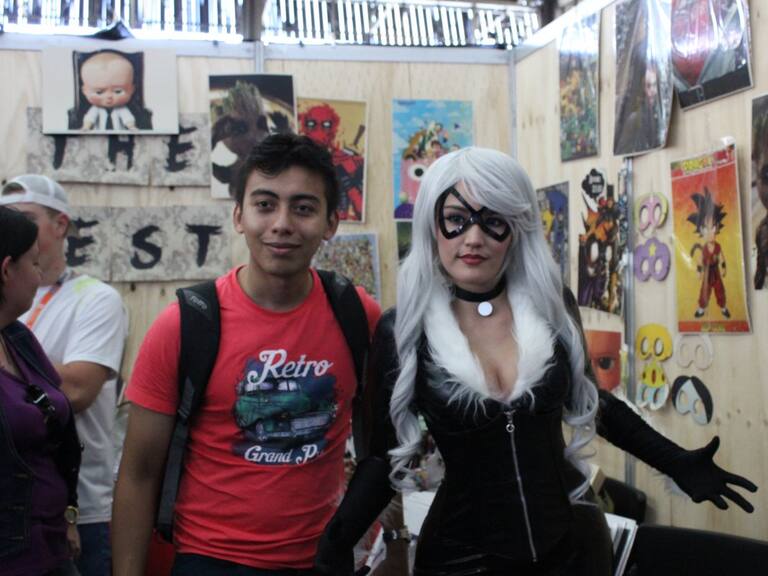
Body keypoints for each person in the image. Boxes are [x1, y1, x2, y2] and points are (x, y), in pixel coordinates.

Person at [314, 147, 757, 575]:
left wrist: (676, 461)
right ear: (433, 226)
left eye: (493, 221)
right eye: (456, 219)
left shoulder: (550, 307)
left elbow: (591, 402)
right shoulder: (405, 330)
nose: (474, 239)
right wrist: (335, 541)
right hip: (460, 559)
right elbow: (381, 459)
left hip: (573, 552)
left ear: (516, 228)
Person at [112, 133, 381, 575]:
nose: (282, 224)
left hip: (322, 559)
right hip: (209, 561)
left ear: (331, 222)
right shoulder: (186, 323)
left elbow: (380, 444)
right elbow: (139, 472)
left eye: (303, 208)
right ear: (239, 216)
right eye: (265, 204)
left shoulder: (356, 315)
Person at [0, 175, 129, 576]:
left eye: (26, 218)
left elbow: (77, 390)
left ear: (61, 225)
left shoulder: (94, 298)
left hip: (77, 508)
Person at [0, 205, 82, 575]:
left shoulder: (18, 339)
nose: (39, 276)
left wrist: (67, 514)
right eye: (34, 264)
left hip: (50, 545)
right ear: (6, 270)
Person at [68, 50, 153, 131]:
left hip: (119, 136)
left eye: (118, 91)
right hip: (100, 137)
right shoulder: (95, 109)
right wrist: (86, 127)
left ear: (132, 89)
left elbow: (128, 119)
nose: (109, 96)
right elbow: (90, 118)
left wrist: (132, 127)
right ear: (84, 91)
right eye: (99, 92)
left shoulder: (122, 109)